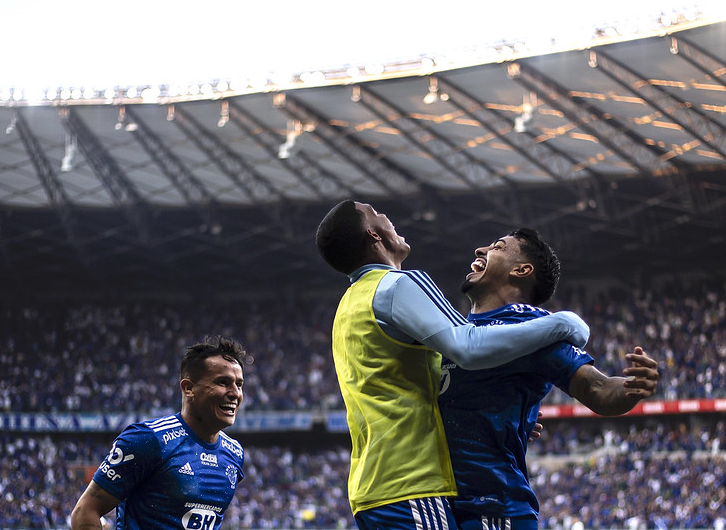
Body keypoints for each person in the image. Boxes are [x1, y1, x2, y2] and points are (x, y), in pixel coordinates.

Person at [315, 201, 591, 530]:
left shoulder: (348, 305)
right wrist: (563, 324)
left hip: (372, 488)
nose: (389, 216)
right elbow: (468, 346)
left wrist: (493, 413)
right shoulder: (399, 285)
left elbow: (407, 385)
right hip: (414, 485)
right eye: (379, 213)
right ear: (375, 234)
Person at [438, 228, 659, 530]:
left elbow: (596, 387)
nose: (480, 250)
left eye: (497, 247)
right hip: (437, 504)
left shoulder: (529, 328)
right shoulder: (450, 328)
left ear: (521, 270)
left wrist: (633, 388)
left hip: (492, 508)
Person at [70, 335, 247, 530]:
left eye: (239, 384)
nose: (235, 393)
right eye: (223, 382)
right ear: (189, 388)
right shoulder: (149, 439)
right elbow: (85, 512)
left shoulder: (234, 453)